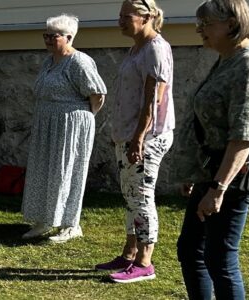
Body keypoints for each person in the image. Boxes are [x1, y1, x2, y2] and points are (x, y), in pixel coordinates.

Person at [177, 0, 249, 298]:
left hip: (236, 172)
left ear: (231, 24)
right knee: (192, 249)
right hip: (212, 168)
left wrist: (218, 189)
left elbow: (244, 135)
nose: (199, 30)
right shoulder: (228, 58)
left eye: (205, 24)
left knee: (219, 258)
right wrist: (195, 171)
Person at [94, 0, 175, 284]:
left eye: (126, 16)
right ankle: (129, 253)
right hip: (128, 135)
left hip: (147, 137)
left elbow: (154, 98)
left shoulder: (155, 48)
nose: (120, 21)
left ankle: (144, 263)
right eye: (119, 16)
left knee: (141, 197)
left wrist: (139, 138)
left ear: (146, 17)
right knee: (130, 196)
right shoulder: (137, 48)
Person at [21, 14, 107, 243]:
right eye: (46, 35)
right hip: (47, 124)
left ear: (69, 37)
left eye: (54, 36)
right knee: (44, 170)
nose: (48, 39)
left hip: (70, 125)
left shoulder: (79, 61)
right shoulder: (49, 62)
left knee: (67, 171)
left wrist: (80, 119)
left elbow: (97, 94)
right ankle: (44, 220)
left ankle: (70, 224)